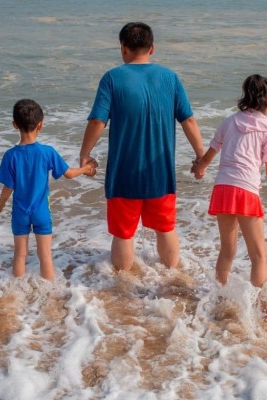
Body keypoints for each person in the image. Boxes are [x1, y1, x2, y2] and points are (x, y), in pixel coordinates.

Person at [79, 22, 205, 272]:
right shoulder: (170, 78)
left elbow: (97, 121)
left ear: (123, 48)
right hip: (160, 170)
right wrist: (201, 156)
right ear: (152, 48)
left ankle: (122, 286)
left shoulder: (112, 78)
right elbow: (188, 119)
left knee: (124, 234)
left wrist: (85, 154)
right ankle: (172, 277)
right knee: (165, 228)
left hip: (124, 173)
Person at [191, 74, 267, 287]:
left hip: (223, 188)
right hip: (246, 191)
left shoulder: (230, 122)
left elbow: (210, 154)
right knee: (258, 255)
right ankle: (258, 304)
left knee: (227, 251)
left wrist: (199, 169)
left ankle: (219, 295)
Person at [0, 99, 96, 280]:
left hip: (20, 212)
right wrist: (85, 169)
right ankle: (50, 292)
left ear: (14, 125)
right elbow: (69, 174)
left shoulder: (11, 156)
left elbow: (8, 187)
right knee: (45, 255)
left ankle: (15, 289)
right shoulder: (47, 152)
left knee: (20, 255)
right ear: (40, 125)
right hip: (41, 212)